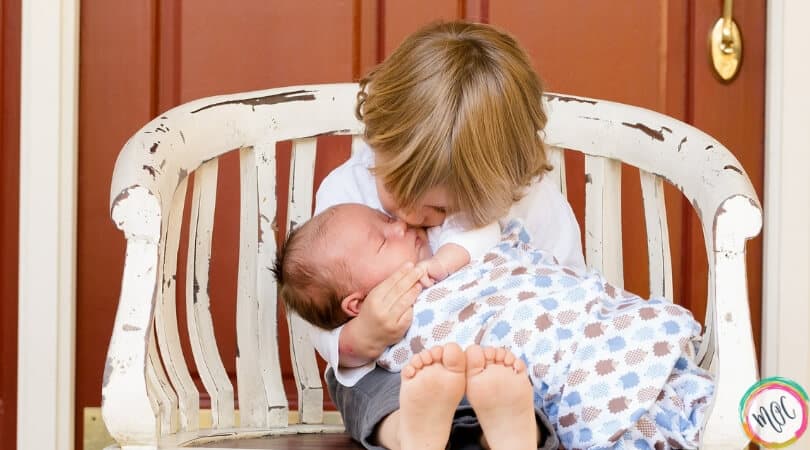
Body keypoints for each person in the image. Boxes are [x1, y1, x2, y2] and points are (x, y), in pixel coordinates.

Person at [307, 20, 586, 450]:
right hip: (402, 376)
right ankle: (410, 432)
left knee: (528, 393)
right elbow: (321, 303)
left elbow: (570, 295)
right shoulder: (346, 195)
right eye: (396, 191)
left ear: (503, 183)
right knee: (367, 390)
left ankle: (513, 433)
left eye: (440, 210)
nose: (410, 217)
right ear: (378, 143)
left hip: (505, 368)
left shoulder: (533, 204)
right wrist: (361, 336)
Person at [276, 203, 714, 449]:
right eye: (382, 236)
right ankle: (456, 432)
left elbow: (499, 244)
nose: (401, 225)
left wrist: (447, 260)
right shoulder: (345, 213)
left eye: (387, 219)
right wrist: (366, 336)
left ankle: (504, 432)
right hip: (486, 370)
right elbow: (344, 350)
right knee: (363, 378)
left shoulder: (446, 241)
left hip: (577, 328)